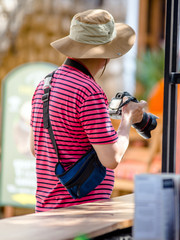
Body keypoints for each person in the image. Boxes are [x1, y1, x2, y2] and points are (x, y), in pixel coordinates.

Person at [30, 9, 147, 212]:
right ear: (106, 56)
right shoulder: (88, 90)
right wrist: (127, 118)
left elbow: (35, 148)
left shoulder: (44, 85)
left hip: (46, 209)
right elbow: (112, 158)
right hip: (81, 213)